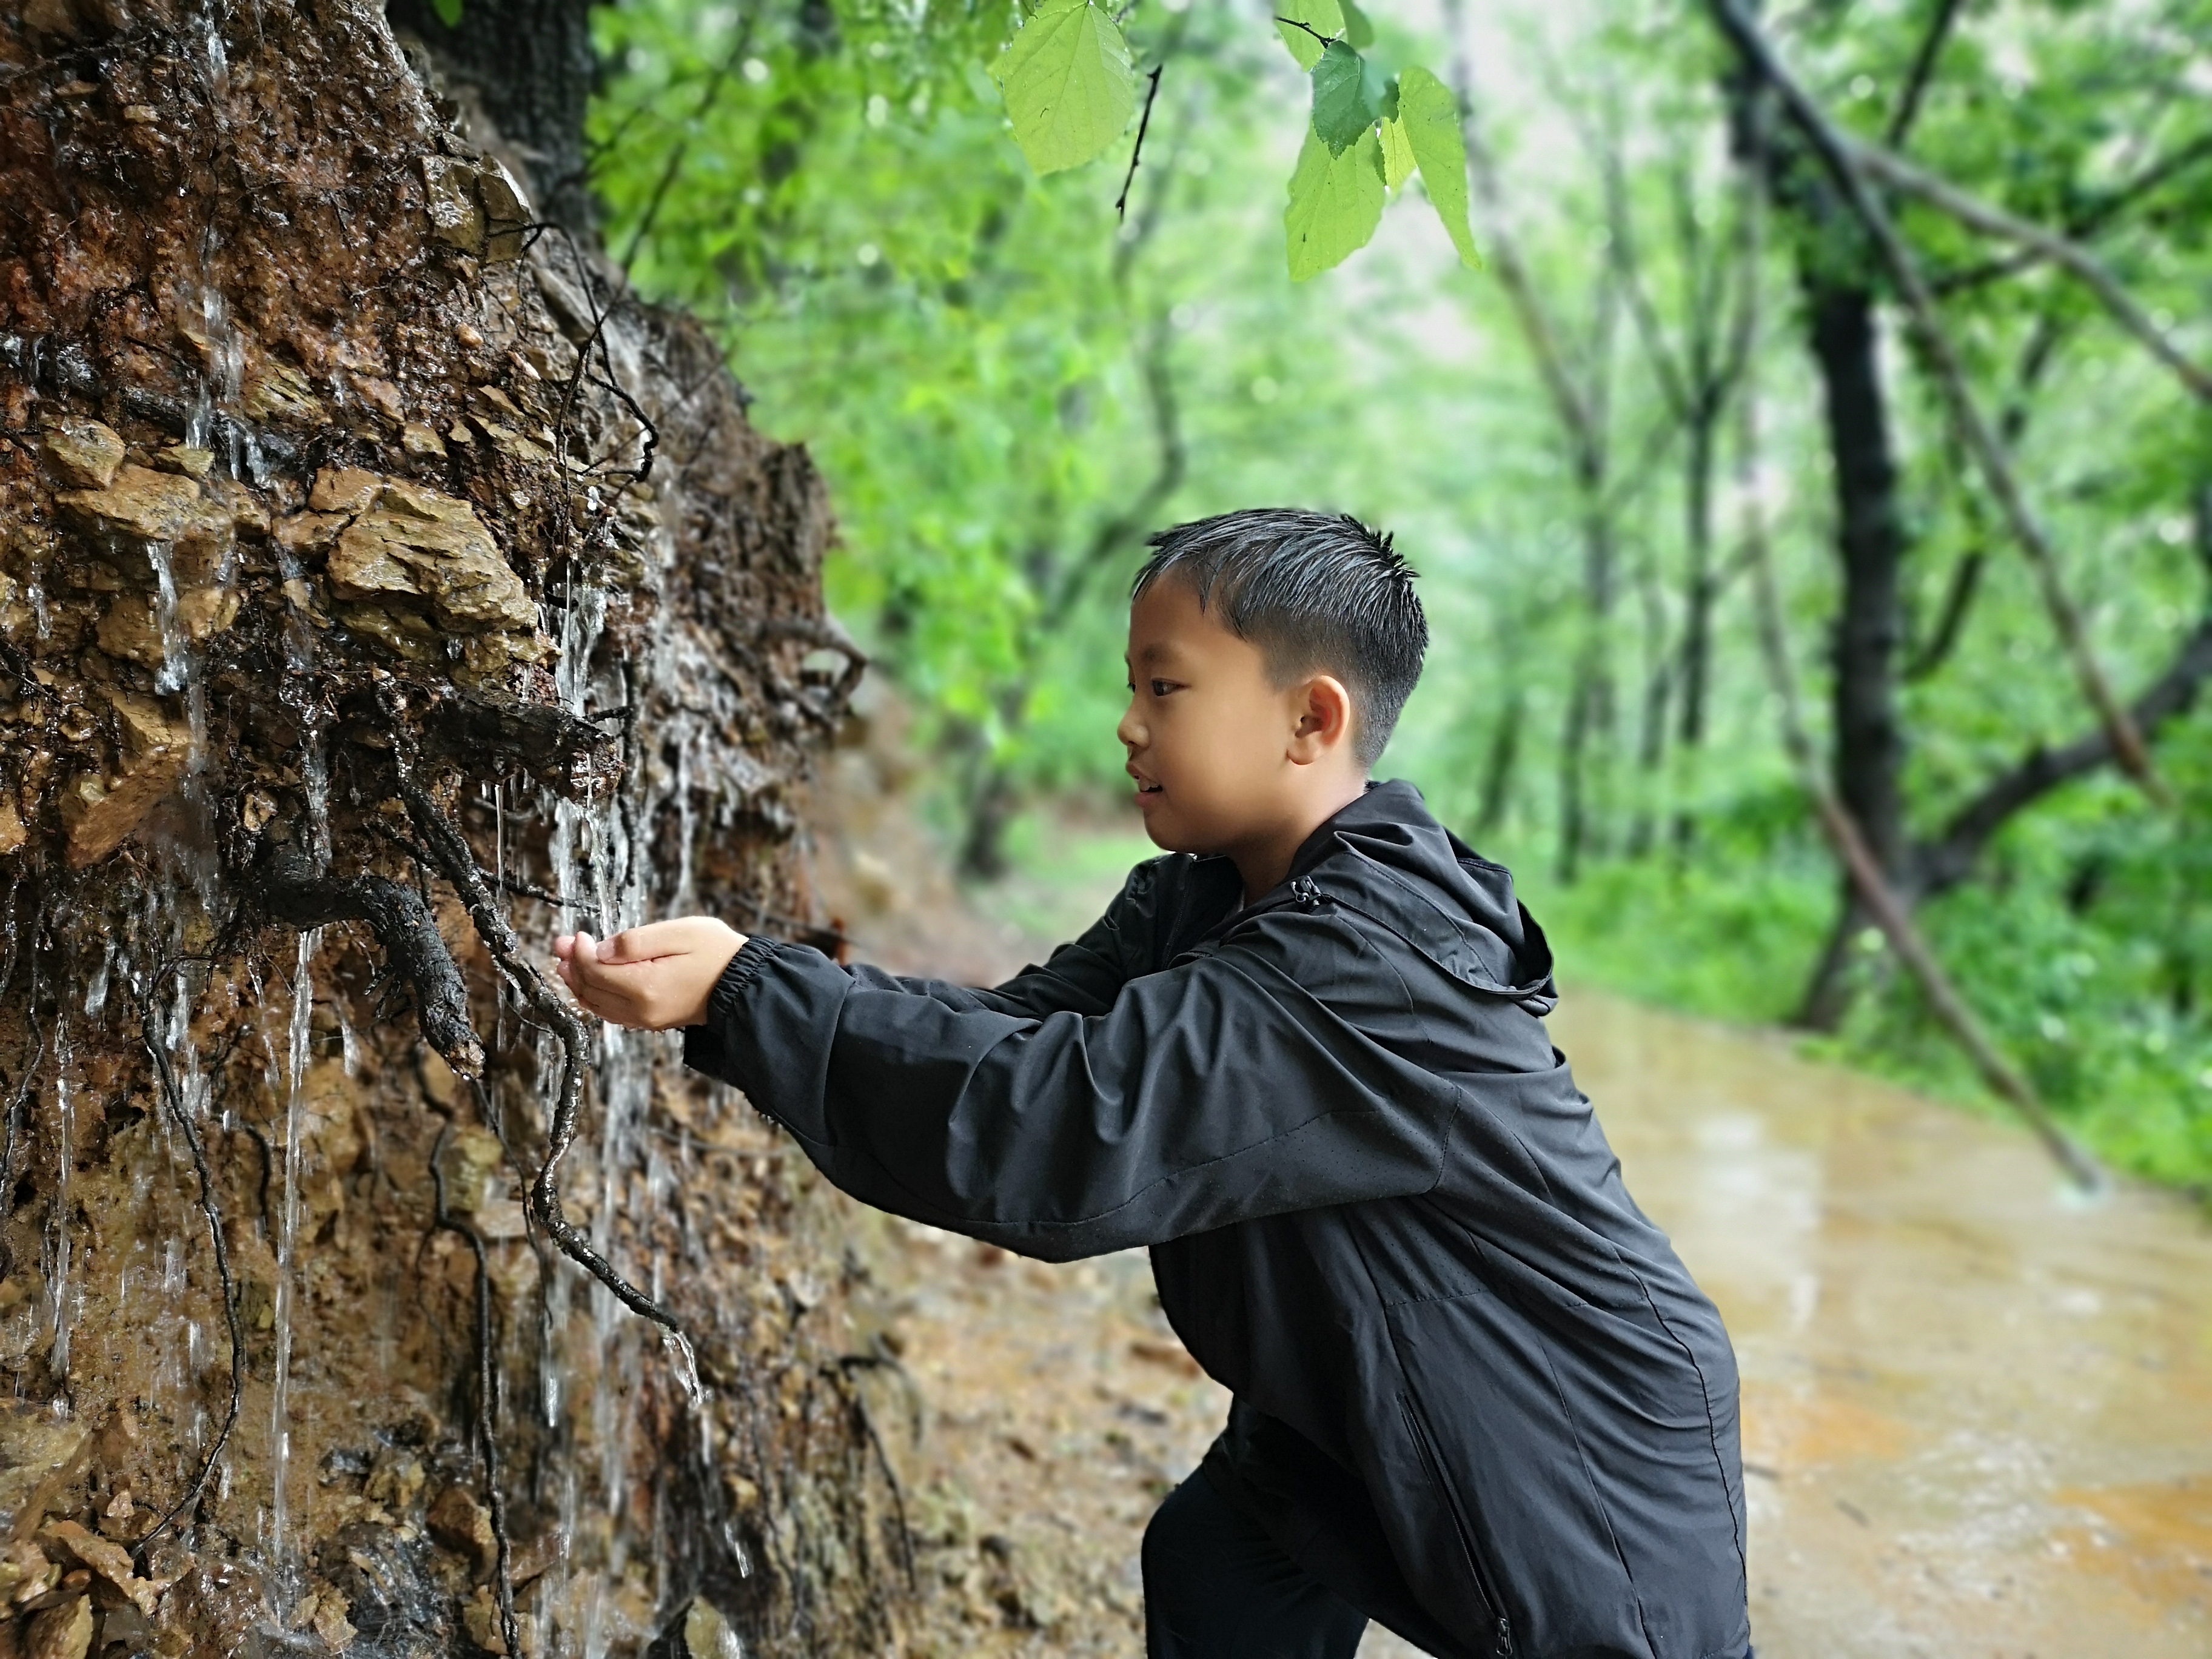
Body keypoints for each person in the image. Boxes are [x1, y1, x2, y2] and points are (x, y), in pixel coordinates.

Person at [554, 510, 1752, 1659]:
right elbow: (1015, 1035)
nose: (1127, 724)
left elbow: (1064, 1129)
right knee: (1221, 1567)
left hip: (1574, 1433)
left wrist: (752, 995)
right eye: (1132, 685)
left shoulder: (1371, 953)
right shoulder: (1200, 899)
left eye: (1164, 687)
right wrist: (756, 984)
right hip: (1364, 1404)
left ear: (1310, 720)